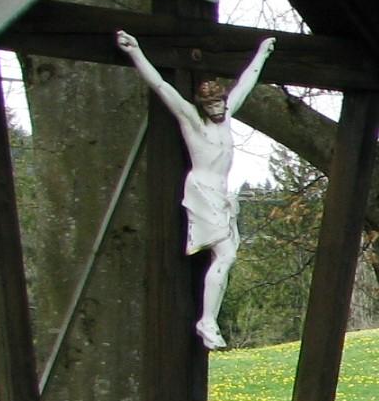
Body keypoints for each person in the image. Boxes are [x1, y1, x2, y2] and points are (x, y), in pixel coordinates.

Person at [112, 29, 276, 349]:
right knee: (226, 255)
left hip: (224, 195)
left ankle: (208, 319)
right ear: (204, 106)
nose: (220, 109)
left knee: (228, 257)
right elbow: (161, 86)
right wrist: (135, 51)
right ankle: (207, 320)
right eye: (213, 105)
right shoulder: (193, 122)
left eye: (221, 103)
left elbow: (246, 83)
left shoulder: (226, 119)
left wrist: (262, 54)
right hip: (203, 190)